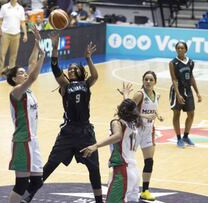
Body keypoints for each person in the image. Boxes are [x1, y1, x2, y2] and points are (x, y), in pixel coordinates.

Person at [22, 32, 102, 203]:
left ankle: (99, 201)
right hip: (68, 132)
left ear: (81, 72)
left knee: (94, 169)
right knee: (50, 166)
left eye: (75, 69)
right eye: (70, 69)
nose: (72, 70)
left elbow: (95, 76)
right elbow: (55, 67)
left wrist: (88, 58)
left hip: (85, 132)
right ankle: (27, 196)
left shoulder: (86, 84)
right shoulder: (65, 85)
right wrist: (55, 48)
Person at [6, 26, 44, 203]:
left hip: (32, 140)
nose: (25, 73)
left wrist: (37, 43)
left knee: (37, 181)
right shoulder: (16, 92)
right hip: (22, 140)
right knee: (21, 183)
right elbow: (33, 76)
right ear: (14, 78)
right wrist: (43, 56)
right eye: (20, 73)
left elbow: (31, 64)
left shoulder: (27, 91)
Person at [80, 98, 142, 203]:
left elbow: (118, 136)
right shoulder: (134, 123)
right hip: (134, 172)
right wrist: (125, 96)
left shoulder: (117, 123)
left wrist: (95, 146)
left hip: (123, 171)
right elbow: (130, 110)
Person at [118, 72, 164, 201]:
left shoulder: (157, 95)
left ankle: (145, 190)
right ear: (143, 81)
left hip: (149, 132)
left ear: (155, 82)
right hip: (136, 131)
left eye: (151, 80)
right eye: (146, 79)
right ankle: (124, 187)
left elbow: (153, 108)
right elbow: (127, 110)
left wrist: (158, 115)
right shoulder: (140, 94)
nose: (148, 81)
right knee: (129, 161)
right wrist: (144, 116)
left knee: (149, 161)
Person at [169, 41, 202, 148]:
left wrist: (197, 93)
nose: (180, 50)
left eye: (182, 48)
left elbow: (191, 77)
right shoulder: (173, 63)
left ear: (186, 50)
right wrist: (178, 94)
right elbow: (174, 79)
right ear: (176, 49)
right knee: (176, 114)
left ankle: (186, 136)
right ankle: (179, 139)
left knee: (191, 114)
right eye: (178, 48)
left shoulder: (191, 62)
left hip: (188, 90)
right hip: (177, 90)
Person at [0, 0, 27, 76]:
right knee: (2, 54)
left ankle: (11, 72)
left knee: (13, 55)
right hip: (5, 34)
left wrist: (25, 34)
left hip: (16, 34)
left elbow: (22, 22)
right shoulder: (4, 7)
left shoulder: (21, 8)